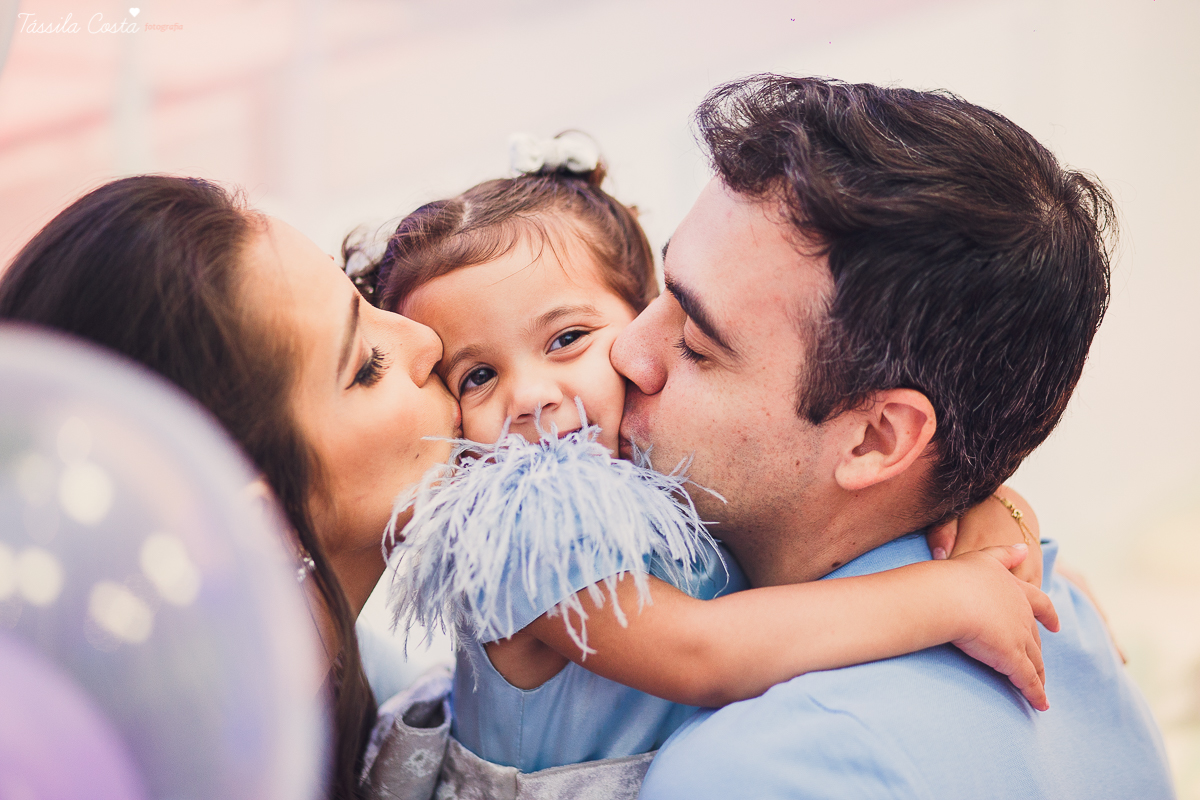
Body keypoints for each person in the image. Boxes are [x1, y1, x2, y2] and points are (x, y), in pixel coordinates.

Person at [352, 138, 1054, 781]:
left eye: (567, 338)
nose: (530, 396)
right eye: (478, 376)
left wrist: (984, 501)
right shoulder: (521, 527)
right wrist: (948, 597)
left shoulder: (653, 462)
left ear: (640, 318)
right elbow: (701, 653)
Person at [612, 75, 1174, 798]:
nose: (627, 351)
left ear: (877, 439)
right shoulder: (1074, 629)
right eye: (659, 290)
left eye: (695, 339)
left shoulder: (759, 766)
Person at [0, 175, 460, 800]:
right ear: (253, 518)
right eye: (365, 367)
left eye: (359, 291)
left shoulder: (374, 679)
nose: (427, 341)